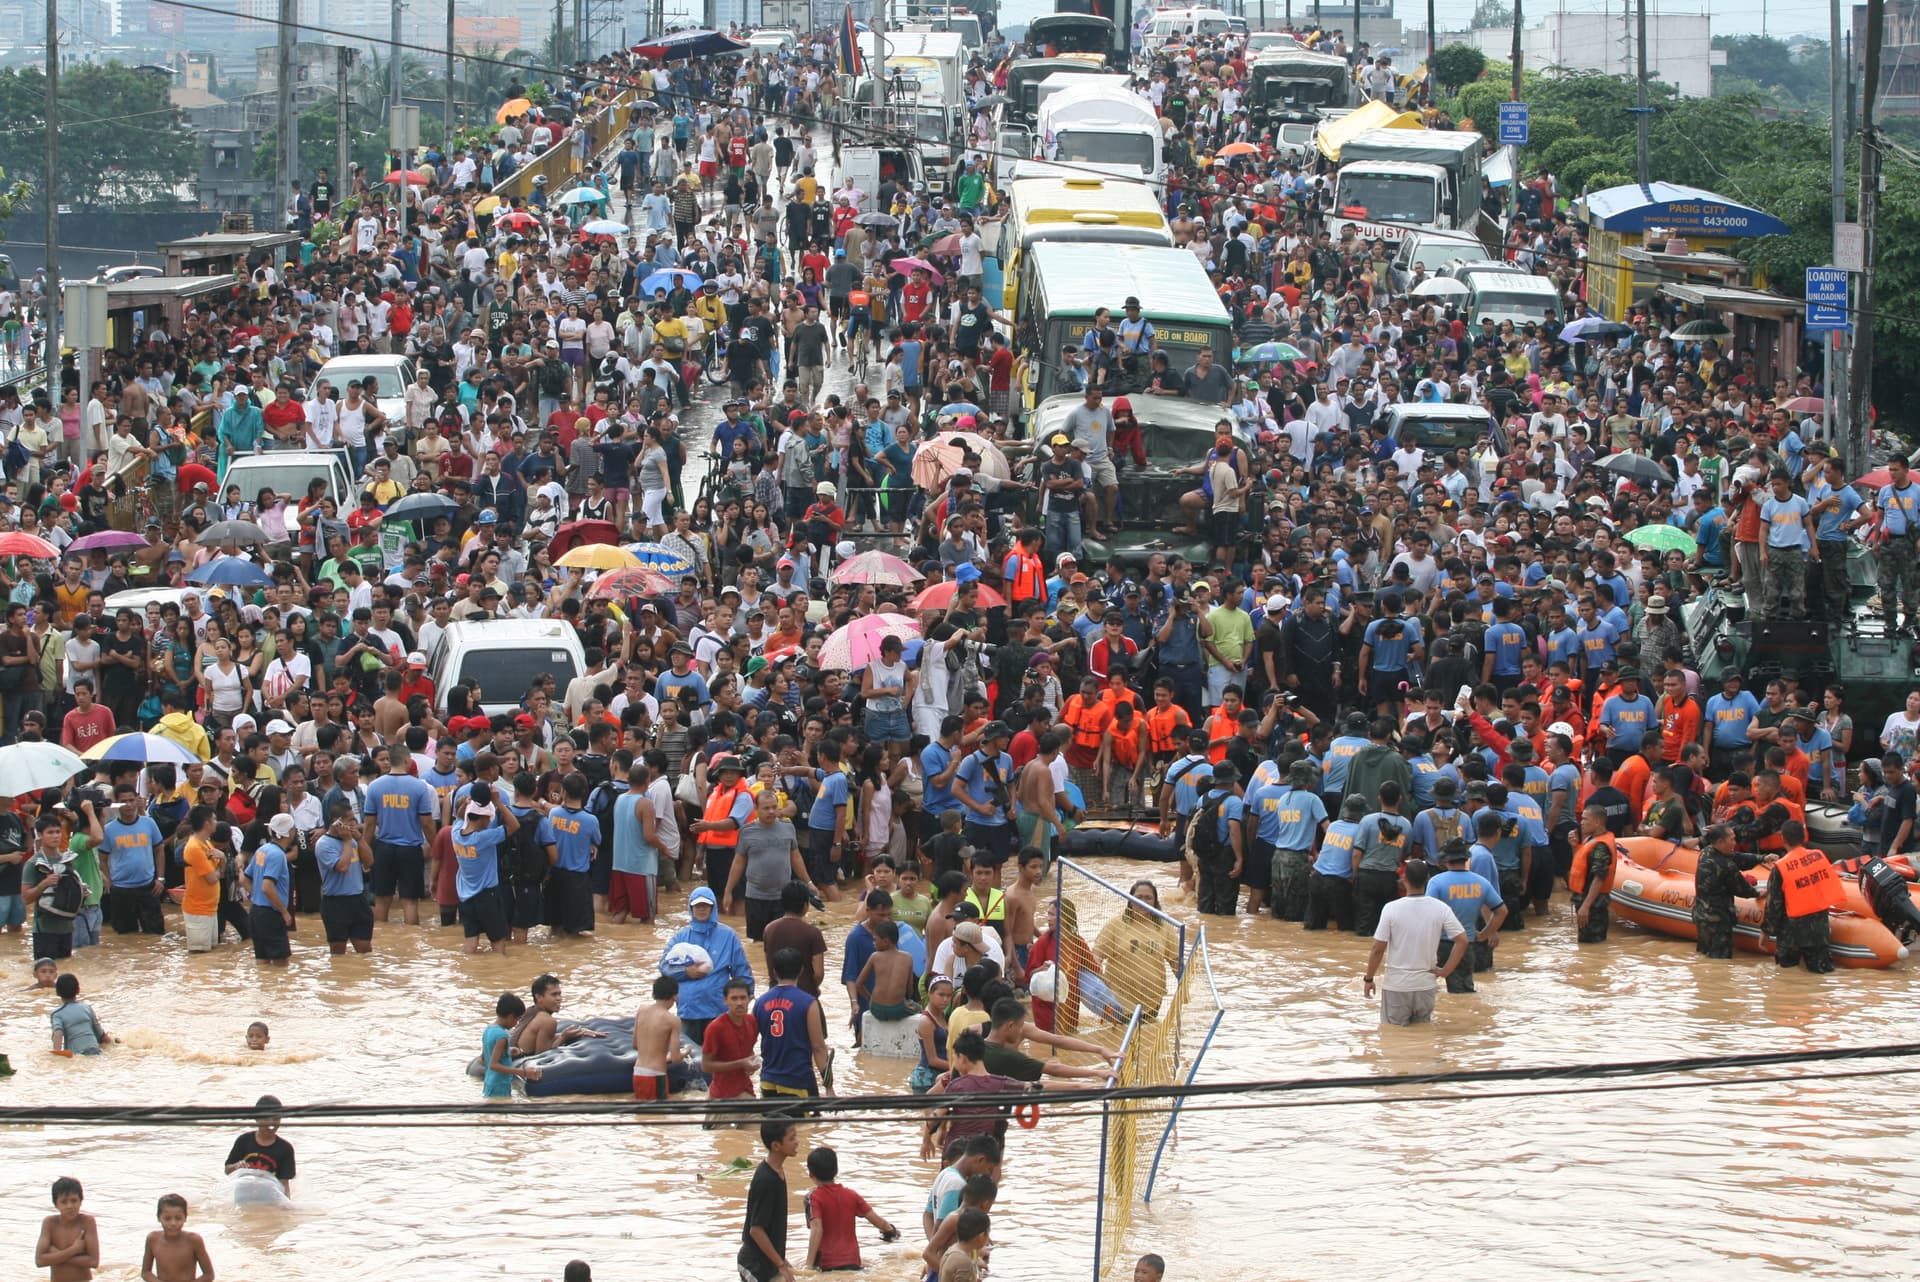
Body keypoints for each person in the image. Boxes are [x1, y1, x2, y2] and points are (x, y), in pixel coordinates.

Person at [1363, 861, 1468, 1026]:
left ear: (1404, 879)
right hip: (1426, 986)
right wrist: (1446, 971)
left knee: (1394, 1039)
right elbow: (1462, 940)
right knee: (1422, 1036)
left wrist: (1368, 979)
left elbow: (1377, 949)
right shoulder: (1441, 908)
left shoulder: (1391, 908)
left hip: (1397, 986)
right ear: (1427, 878)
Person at [1423, 840, 1505, 993]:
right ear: (1467, 859)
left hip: (1438, 945)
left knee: (1426, 990)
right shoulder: (1481, 883)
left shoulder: (1436, 882)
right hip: (1466, 945)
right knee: (1463, 994)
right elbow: (1502, 911)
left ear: (1446, 860)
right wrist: (1485, 934)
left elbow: (1427, 915)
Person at [1764, 820, 1842, 974]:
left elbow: (1774, 905)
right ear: (1804, 836)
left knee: (1786, 975)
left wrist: (1766, 931)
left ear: (1783, 839)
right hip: (1819, 928)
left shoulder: (1780, 867)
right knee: (1822, 973)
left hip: (1791, 932)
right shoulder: (1819, 856)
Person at [802, 1145, 898, 1271]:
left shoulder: (812, 1198)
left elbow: (816, 1229)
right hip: (854, 1264)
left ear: (811, 1174)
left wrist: (808, 1267)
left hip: (826, 1266)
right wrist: (892, 1232)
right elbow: (879, 1222)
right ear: (836, 1170)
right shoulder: (852, 1195)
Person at [755, 946, 832, 1100]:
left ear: (774, 972)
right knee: (807, 1124)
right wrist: (829, 1088)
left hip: (768, 1081)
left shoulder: (760, 1003)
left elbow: (751, 1042)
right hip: (798, 1081)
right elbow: (818, 1047)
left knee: (773, 1123)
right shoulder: (808, 1003)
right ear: (801, 970)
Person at [1693, 822, 1766, 960]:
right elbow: (1742, 889)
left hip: (1701, 915)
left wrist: (1761, 858)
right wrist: (1758, 893)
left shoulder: (1706, 852)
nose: (1735, 842)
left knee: (1703, 955)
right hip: (1718, 920)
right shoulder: (1726, 866)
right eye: (1731, 839)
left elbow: (1736, 857)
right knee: (1720, 960)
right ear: (1720, 842)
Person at [739, 1119, 801, 1282]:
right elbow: (756, 1230)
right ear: (776, 1146)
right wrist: (780, 1264)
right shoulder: (766, 1180)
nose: (797, 1142)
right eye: (792, 1138)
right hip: (755, 1265)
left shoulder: (778, 1171)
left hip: (768, 1263)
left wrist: (782, 1261)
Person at [701, 976, 760, 1101]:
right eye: (734, 998)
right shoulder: (715, 1028)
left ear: (749, 999)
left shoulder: (752, 1022)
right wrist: (741, 1063)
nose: (739, 1003)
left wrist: (752, 1065)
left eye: (743, 998)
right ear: (725, 1001)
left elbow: (749, 1052)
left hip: (746, 1090)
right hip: (722, 1095)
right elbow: (706, 1066)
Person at [1568, 802, 1619, 944]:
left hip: (1593, 905)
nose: (1581, 823)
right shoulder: (1591, 839)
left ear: (1597, 822)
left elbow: (1599, 878)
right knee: (1585, 945)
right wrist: (1574, 847)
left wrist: (1586, 906)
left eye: (1585, 819)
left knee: (1590, 944)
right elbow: (1581, 867)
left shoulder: (1601, 846)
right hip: (1586, 900)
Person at [224, 1095, 295, 1194]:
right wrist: (237, 1166)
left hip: (271, 1197)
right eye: (266, 1119)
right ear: (256, 1118)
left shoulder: (285, 1148)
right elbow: (227, 1170)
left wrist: (287, 1207)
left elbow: (284, 1183)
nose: (271, 1123)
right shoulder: (244, 1141)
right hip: (243, 1195)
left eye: (276, 1119)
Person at [631, 974, 686, 1100]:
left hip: (637, 1072)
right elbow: (676, 1058)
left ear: (653, 994)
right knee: (660, 1115)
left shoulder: (642, 1010)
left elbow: (635, 1045)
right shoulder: (673, 1020)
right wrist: (686, 1051)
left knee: (643, 1116)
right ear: (675, 996)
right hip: (656, 1075)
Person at [36, 1176, 99, 1282]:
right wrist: (73, 1250)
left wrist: (56, 1255)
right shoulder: (50, 1223)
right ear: (56, 1204)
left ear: (81, 1201)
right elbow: (40, 1261)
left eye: (74, 1200)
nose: (70, 1206)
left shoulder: (87, 1222)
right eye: (64, 1202)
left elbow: (93, 1262)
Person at [141, 1192, 214, 1282]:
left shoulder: (194, 1240)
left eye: (178, 1218)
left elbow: (209, 1275)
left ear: (185, 1217)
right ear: (158, 1218)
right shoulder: (152, 1239)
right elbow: (145, 1272)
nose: (173, 1223)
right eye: (167, 1218)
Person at [853, 919, 917, 1021]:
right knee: (919, 1008)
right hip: (897, 1010)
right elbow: (909, 989)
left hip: (876, 1009)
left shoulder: (874, 957)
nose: (873, 943)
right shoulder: (907, 957)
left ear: (886, 941)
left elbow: (858, 985)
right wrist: (907, 999)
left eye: (875, 940)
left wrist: (871, 1000)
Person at [482, 992, 542, 1099]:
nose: (516, 1023)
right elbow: (494, 1065)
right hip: (499, 1085)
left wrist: (507, 1051)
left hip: (489, 1082)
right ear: (510, 1017)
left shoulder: (489, 1030)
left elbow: (488, 1054)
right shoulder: (502, 1036)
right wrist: (523, 1072)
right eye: (517, 1019)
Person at [48, 972, 110, 1056]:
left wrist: (56, 1053)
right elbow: (101, 1035)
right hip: (96, 1051)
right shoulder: (87, 1008)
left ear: (57, 992)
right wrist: (113, 1043)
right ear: (78, 990)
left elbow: (58, 1033)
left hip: (78, 1054)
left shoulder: (57, 1013)